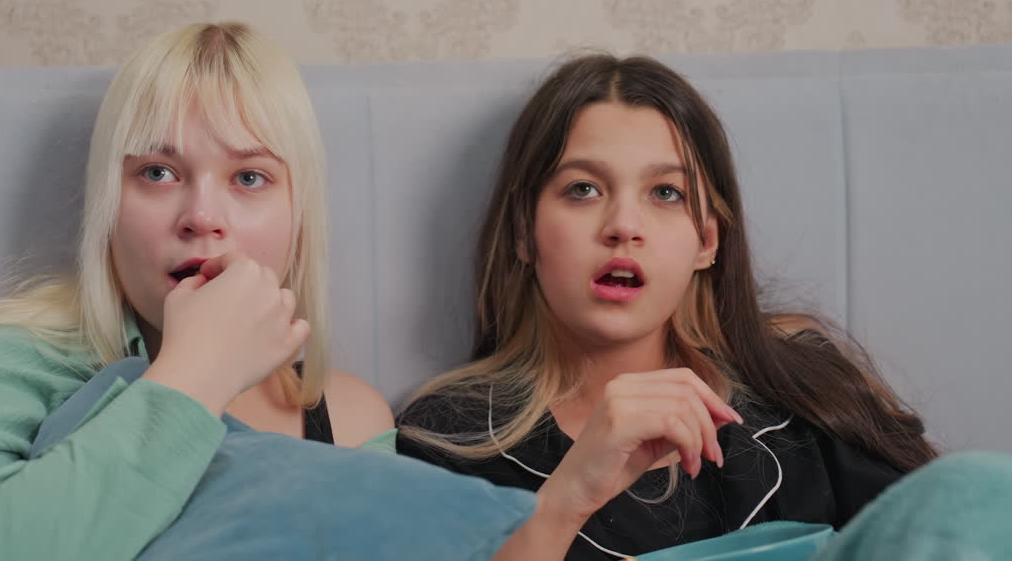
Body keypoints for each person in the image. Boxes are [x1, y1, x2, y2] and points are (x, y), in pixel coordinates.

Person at [0, 22, 395, 561]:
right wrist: (197, 376)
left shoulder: (352, 418)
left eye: (249, 178)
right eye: (158, 172)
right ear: (106, 205)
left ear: (299, 217)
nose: (202, 217)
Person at [397, 53, 936, 560]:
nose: (623, 226)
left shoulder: (810, 395)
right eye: (583, 189)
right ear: (523, 233)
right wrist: (568, 495)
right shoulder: (446, 440)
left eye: (666, 193)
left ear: (707, 240)